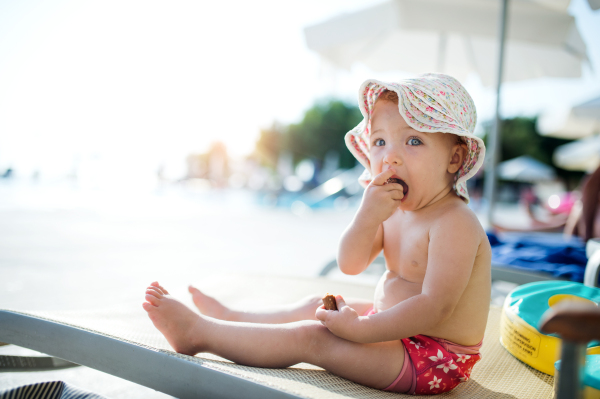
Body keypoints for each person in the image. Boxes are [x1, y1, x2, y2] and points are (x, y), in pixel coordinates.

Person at [143, 73, 492, 395]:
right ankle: (235, 319)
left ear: (454, 158)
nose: (390, 159)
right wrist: (366, 218)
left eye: (413, 140)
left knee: (314, 338)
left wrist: (360, 330)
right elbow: (350, 264)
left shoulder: (454, 222)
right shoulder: (391, 210)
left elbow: (435, 307)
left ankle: (198, 334)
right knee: (316, 305)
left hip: (435, 357)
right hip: (391, 328)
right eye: (380, 141)